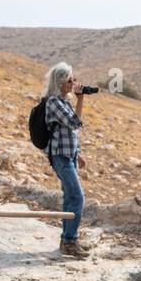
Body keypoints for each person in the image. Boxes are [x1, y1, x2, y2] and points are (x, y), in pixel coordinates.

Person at [43, 61, 92, 258]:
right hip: (60, 157)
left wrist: (77, 153)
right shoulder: (53, 102)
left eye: (74, 79)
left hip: (69, 155)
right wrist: (81, 100)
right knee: (78, 197)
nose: (73, 83)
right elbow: (74, 123)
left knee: (69, 197)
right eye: (70, 80)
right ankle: (70, 240)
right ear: (60, 82)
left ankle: (67, 239)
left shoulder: (64, 101)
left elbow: (69, 133)